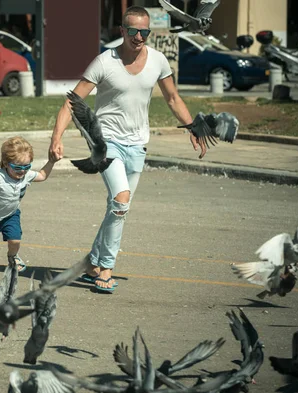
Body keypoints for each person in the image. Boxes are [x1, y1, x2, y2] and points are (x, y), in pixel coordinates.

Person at [48, 6, 208, 293]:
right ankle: (106, 269)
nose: (139, 37)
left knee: (118, 208)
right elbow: (72, 102)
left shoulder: (158, 61)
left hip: (138, 143)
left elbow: (172, 98)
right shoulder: (104, 62)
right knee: (121, 201)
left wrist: (191, 125)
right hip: (105, 142)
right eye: (133, 31)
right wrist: (56, 138)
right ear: (122, 31)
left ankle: (92, 263)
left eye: (144, 32)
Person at [0, 136, 59, 287]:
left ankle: (12, 256)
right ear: (6, 163)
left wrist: (51, 161)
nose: (22, 171)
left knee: (15, 240)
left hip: (11, 215)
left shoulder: (26, 175)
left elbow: (42, 175)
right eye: (18, 167)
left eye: (27, 166)